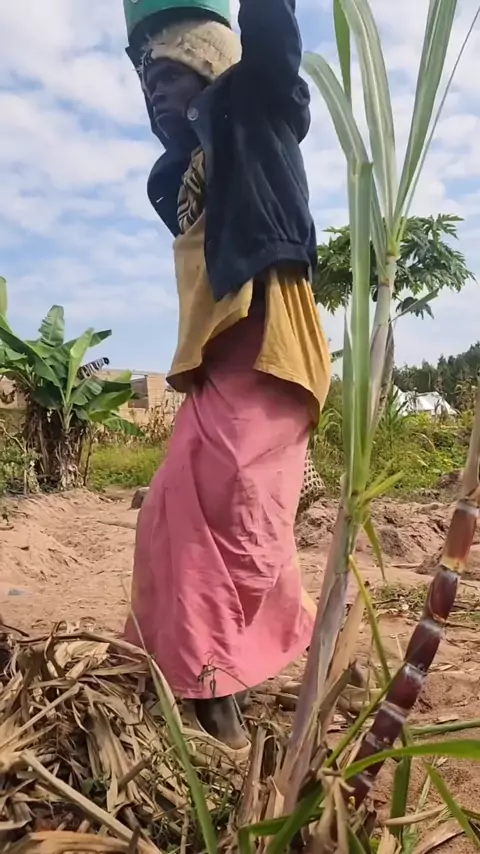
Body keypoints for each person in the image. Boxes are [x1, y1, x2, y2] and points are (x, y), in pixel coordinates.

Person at [124, 0, 331, 758]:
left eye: (168, 74)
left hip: (270, 345)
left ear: (210, 63)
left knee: (234, 507)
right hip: (218, 360)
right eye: (146, 82)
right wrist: (147, 48)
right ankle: (195, 665)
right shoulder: (181, 175)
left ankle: (215, 689)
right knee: (169, 509)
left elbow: (270, 39)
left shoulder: (255, 109)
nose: (154, 91)